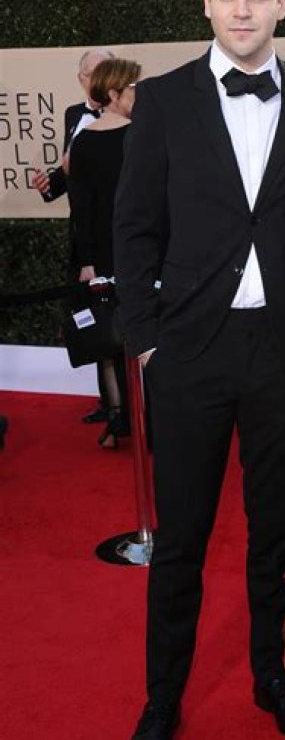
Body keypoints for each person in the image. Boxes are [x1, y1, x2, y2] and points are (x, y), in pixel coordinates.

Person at [113, 0, 285, 740]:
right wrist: (147, 342)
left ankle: (272, 679)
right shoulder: (163, 101)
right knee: (180, 541)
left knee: (276, 536)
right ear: (205, 0)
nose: (242, 9)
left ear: (283, 2)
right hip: (190, 354)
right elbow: (133, 229)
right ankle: (162, 699)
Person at [30, 47, 116, 426]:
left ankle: (128, 408)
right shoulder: (72, 115)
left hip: (114, 234)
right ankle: (108, 402)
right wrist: (49, 185)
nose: (101, 79)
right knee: (91, 316)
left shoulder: (127, 115)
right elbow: (73, 171)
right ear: (81, 79)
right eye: (95, 72)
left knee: (118, 315)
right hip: (83, 234)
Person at [69, 58, 141, 449]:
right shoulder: (137, 136)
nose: (137, 95)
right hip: (133, 251)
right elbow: (83, 208)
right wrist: (88, 262)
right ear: (114, 93)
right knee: (124, 337)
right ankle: (134, 422)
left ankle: (120, 421)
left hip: (113, 253)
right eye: (132, 88)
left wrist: (88, 261)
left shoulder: (88, 141)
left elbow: (81, 210)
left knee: (115, 343)